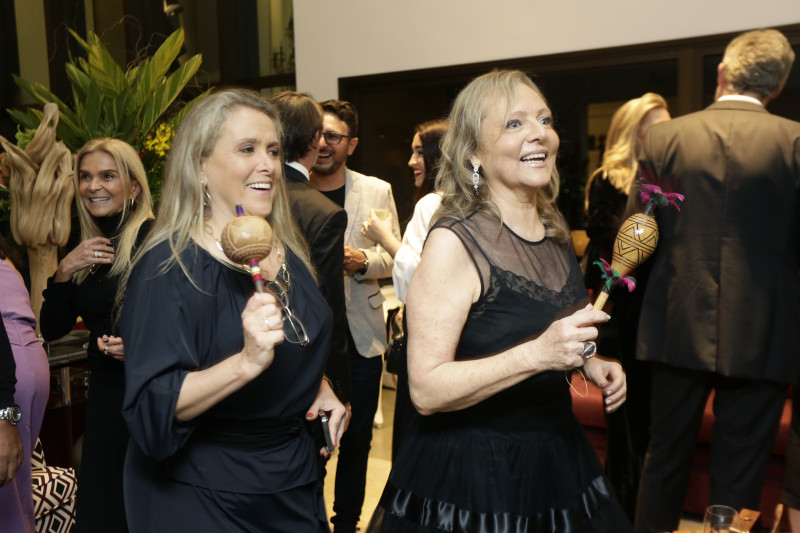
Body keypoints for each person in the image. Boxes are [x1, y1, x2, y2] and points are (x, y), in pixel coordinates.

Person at [367, 69, 630, 532]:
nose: (539, 133)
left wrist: (589, 360)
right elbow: (425, 391)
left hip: (555, 458)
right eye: (514, 123)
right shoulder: (454, 242)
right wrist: (538, 354)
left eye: (544, 120)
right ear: (474, 152)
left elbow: (539, 327)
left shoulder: (553, 230)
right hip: (472, 475)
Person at [119, 89, 348, 532]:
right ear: (200, 167)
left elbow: (297, 335)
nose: (268, 165)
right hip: (205, 492)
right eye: (247, 149)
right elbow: (151, 406)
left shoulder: (287, 249)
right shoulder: (169, 266)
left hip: (290, 480)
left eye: (273, 150)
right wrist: (245, 363)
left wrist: (317, 385)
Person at [628, 29, 800, 533]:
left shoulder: (665, 139)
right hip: (765, 330)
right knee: (741, 474)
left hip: (676, 322)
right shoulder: (795, 142)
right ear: (777, 85)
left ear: (723, 73)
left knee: (663, 460)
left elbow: (637, 237)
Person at [39, 137, 153, 533]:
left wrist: (139, 347)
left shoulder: (154, 239)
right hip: (105, 396)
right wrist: (64, 272)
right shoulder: (87, 248)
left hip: (149, 394)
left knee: (141, 508)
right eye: (85, 177)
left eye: (107, 176)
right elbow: (51, 329)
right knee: (104, 508)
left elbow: (187, 320)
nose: (93, 186)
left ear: (133, 186)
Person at [310, 99, 401, 533]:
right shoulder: (292, 188)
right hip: (311, 338)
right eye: (318, 135)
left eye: (334, 136)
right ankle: (309, 520)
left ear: (352, 144)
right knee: (311, 439)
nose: (324, 144)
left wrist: (363, 260)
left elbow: (396, 256)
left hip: (362, 334)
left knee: (358, 438)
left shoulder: (376, 190)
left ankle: (346, 524)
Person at [583, 93, 670, 520]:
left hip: (661, 319)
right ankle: (619, 516)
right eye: (657, 128)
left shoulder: (669, 180)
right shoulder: (609, 180)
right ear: (634, 134)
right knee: (625, 427)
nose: (667, 135)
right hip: (623, 318)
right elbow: (607, 246)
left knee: (654, 425)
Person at [361, 118, 448, 459]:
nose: (412, 161)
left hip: (430, 338)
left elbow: (419, 278)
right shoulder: (476, 200)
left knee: (417, 439)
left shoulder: (432, 204)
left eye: (419, 152)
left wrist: (384, 238)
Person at [269, 91, 351, 406]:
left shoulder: (246, 196)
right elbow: (327, 306)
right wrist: (338, 387)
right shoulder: (323, 212)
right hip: (305, 365)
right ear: (315, 139)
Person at [0, 238, 49, 533]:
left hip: (8, 364)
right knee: (16, 489)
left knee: (7, 496)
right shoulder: (7, 261)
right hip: (30, 359)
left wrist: (3, 412)